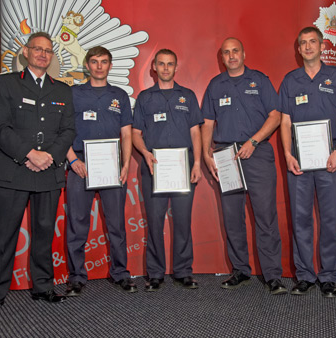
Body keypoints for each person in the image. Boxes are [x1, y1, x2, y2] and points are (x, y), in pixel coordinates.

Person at [201, 38, 286, 295]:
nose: (231, 55)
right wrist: (206, 153)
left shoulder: (259, 81)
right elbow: (207, 122)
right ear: (222, 58)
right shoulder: (215, 86)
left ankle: (273, 276)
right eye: (226, 52)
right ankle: (240, 270)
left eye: (235, 50)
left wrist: (253, 141)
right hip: (226, 154)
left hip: (257, 153)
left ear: (243, 53)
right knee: (232, 217)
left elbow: (276, 115)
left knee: (265, 217)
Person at [0, 32, 75, 306]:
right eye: (37, 49)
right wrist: (29, 154)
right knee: (4, 237)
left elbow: (68, 131)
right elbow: (1, 128)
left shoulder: (63, 90)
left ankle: (42, 287)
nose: (43, 54)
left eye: (47, 50)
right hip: (13, 172)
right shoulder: (5, 84)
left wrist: (48, 157)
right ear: (26, 52)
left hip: (48, 173)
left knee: (44, 235)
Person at [279, 27, 336, 298]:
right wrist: (288, 155)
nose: (308, 47)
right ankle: (305, 276)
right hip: (299, 160)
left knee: (329, 218)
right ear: (298, 49)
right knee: (300, 219)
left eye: (313, 42)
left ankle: (329, 276)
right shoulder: (290, 80)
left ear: (322, 46)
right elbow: (285, 122)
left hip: (330, 160)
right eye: (303, 43)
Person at [65, 46, 136, 296]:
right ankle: (76, 276)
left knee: (116, 223)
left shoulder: (120, 95)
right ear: (87, 65)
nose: (98, 66)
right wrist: (73, 160)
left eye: (104, 62)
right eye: (94, 62)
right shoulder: (72, 93)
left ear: (110, 65)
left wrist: (125, 164)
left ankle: (120, 274)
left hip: (111, 164)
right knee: (77, 224)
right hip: (80, 164)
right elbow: (62, 131)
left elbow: (126, 132)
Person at [132, 49, 202, 290]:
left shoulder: (188, 96)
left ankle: (183, 271)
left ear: (175, 67)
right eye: (161, 64)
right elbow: (135, 134)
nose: (165, 68)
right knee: (154, 222)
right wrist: (145, 153)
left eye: (169, 64)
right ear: (154, 66)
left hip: (183, 167)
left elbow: (196, 131)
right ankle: (155, 273)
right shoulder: (144, 98)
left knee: (183, 221)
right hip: (154, 168)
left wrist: (197, 163)